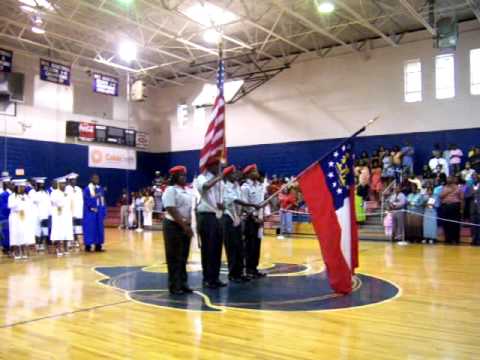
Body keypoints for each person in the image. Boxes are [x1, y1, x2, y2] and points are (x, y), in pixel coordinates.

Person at [222, 165, 258, 282]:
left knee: (239, 247)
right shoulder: (225, 187)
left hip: (237, 218)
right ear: (227, 176)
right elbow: (235, 200)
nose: (236, 175)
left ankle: (240, 273)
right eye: (233, 173)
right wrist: (252, 205)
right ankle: (233, 274)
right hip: (228, 218)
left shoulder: (236, 186)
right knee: (232, 247)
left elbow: (240, 203)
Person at [162, 166, 194, 295]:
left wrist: (189, 224)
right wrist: (184, 226)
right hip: (173, 225)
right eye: (181, 175)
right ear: (174, 177)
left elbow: (189, 209)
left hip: (184, 225)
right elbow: (171, 208)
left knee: (183, 257)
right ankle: (174, 286)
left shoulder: (187, 190)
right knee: (174, 257)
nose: (184, 178)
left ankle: (183, 283)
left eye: (185, 175)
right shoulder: (171, 190)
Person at [195, 158, 226, 289]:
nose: (220, 168)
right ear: (210, 166)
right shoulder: (201, 177)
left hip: (217, 216)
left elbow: (222, 200)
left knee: (217, 248)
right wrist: (218, 178)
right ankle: (207, 278)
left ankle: (215, 277)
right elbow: (205, 187)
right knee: (208, 249)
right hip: (205, 216)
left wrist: (222, 205)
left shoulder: (220, 182)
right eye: (218, 165)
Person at [241, 164, 267, 279]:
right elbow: (245, 206)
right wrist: (255, 217)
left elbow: (261, 203)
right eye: (254, 171)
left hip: (259, 219)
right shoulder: (245, 187)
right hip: (250, 220)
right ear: (248, 174)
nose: (256, 173)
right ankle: (248, 269)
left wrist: (262, 216)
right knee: (250, 245)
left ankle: (254, 268)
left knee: (257, 245)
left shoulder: (260, 186)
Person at [8, 179, 36, 260]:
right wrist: (19, 202)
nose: (23, 189)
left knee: (24, 234)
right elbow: (11, 206)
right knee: (16, 234)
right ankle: (17, 252)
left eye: (24, 187)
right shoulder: (12, 196)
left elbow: (30, 206)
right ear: (17, 187)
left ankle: (24, 251)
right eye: (21, 187)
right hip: (15, 218)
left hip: (24, 218)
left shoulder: (26, 196)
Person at [50, 177, 74, 256]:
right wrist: (62, 198)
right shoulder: (54, 193)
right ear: (58, 184)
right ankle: (58, 248)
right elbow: (54, 202)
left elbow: (70, 203)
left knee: (66, 232)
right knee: (58, 232)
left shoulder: (68, 193)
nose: (63, 185)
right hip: (58, 215)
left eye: (64, 184)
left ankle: (66, 247)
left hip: (67, 215)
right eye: (61, 184)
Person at [83, 174, 106, 252]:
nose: (97, 180)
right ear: (91, 179)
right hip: (90, 212)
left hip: (99, 212)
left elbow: (102, 201)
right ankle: (88, 246)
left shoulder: (100, 188)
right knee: (90, 229)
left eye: (98, 178)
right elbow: (86, 200)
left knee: (99, 229)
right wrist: (95, 196)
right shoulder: (87, 189)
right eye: (95, 178)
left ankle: (98, 246)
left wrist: (103, 211)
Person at [440, 176, 463, 244]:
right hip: (446, 206)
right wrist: (448, 191)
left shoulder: (458, 188)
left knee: (455, 223)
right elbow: (441, 196)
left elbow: (461, 199)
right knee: (446, 223)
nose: (448, 180)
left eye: (449, 178)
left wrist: (461, 209)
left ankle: (456, 239)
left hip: (455, 206)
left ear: (453, 180)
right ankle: (448, 239)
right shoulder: (444, 187)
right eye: (447, 179)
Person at [30, 177, 50, 251]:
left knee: (44, 230)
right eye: (40, 184)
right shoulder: (32, 192)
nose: (41, 185)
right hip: (36, 213)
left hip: (45, 213)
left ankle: (42, 243)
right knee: (37, 229)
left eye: (42, 184)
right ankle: (37, 244)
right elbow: (33, 202)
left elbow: (48, 203)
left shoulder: (46, 192)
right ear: (37, 184)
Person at [65, 173, 83, 250]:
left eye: (75, 180)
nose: (74, 181)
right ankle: (69, 242)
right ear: (69, 181)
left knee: (78, 228)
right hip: (70, 212)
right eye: (73, 180)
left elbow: (81, 201)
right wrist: (70, 212)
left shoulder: (79, 189)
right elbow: (66, 201)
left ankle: (76, 241)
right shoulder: (66, 189)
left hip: (78, 212)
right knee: (70, 227)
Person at [0, 176, 13, 254]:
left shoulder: (11, 194)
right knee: (6, 232)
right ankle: (6, 248)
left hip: (9, 216)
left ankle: (8, 248)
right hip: (4, 216)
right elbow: (4, 207)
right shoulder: (3, 194)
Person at [471, 174, 480, 246]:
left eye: (475, 177)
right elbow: (465, 194)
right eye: (473, 178)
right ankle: (474, 239)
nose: (474, 179)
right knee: (473, 225)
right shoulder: (469, 186)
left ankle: (479, 240)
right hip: (472, 208)